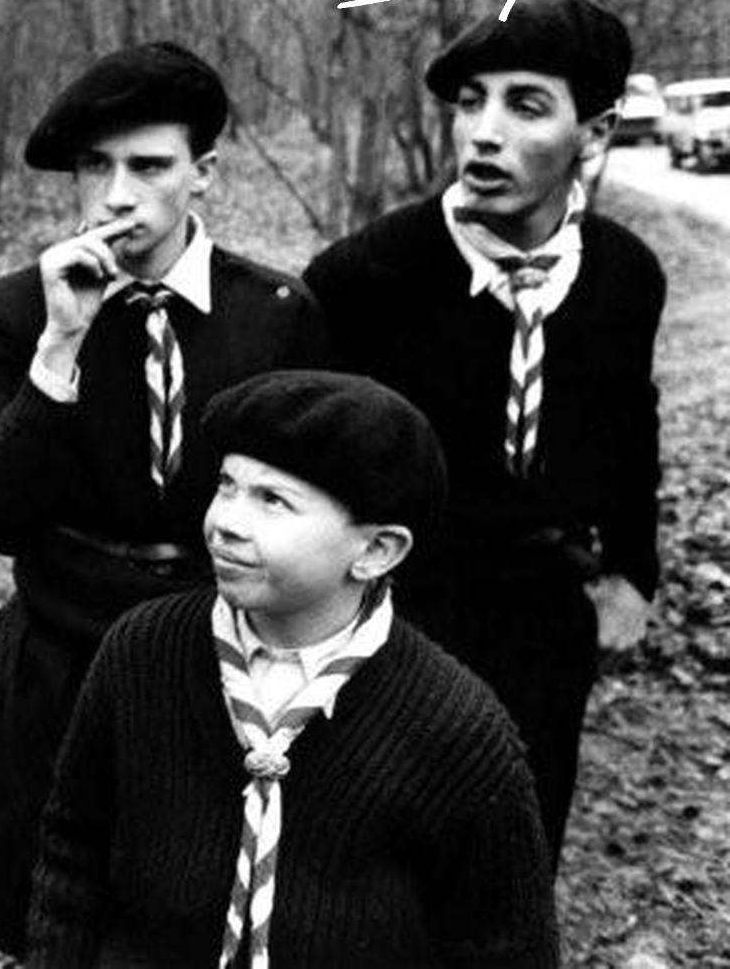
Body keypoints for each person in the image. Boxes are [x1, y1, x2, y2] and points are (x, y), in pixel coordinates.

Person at [0, 41, 328, 957]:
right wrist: (61, 345)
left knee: (193, 915)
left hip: (220, 657)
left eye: (149, 166)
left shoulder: (274, 312)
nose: (117, 194)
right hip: (60, 653)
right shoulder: (21, 309)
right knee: (55, 920)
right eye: (96, 166)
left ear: (204, 174)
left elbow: (318, 511)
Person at [29, 370, 559, 968]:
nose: (227, 522)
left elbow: (507, 948)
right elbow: (72, 854)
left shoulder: (456, 729)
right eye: (227, 485)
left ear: (376, 551)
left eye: (273, 501)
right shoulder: (143, 651)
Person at [302, 0, 664, 864]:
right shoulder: (365, 278)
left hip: (547, 611)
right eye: (471, 103)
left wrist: (631, 572)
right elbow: (307, 467)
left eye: (526, 106)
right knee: (378, 866)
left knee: (518, 853)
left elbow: (631, 422)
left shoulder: (624, 275)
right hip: (398, 612)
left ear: (595, 132)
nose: (485, 134)